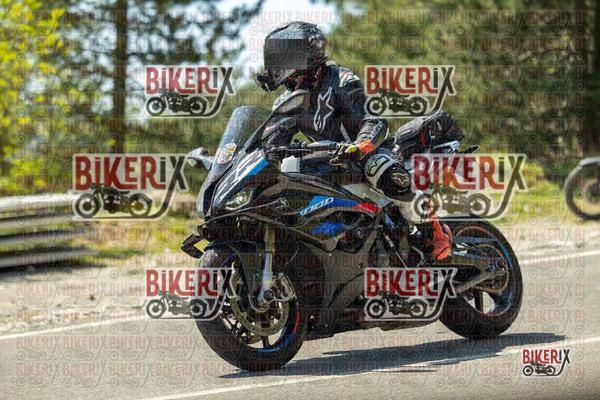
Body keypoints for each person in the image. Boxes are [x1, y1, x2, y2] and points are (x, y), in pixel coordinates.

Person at [254, 21, 451, 261]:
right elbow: (271, 142)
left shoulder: (340, 79)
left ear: (306, 53)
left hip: (368, 152)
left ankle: (434, 230)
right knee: (286, 173)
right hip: (329, 162)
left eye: (284, 57)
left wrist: (360, 146)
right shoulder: (287, 100)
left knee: (379, 167)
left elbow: (374, 120)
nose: (278, 66)